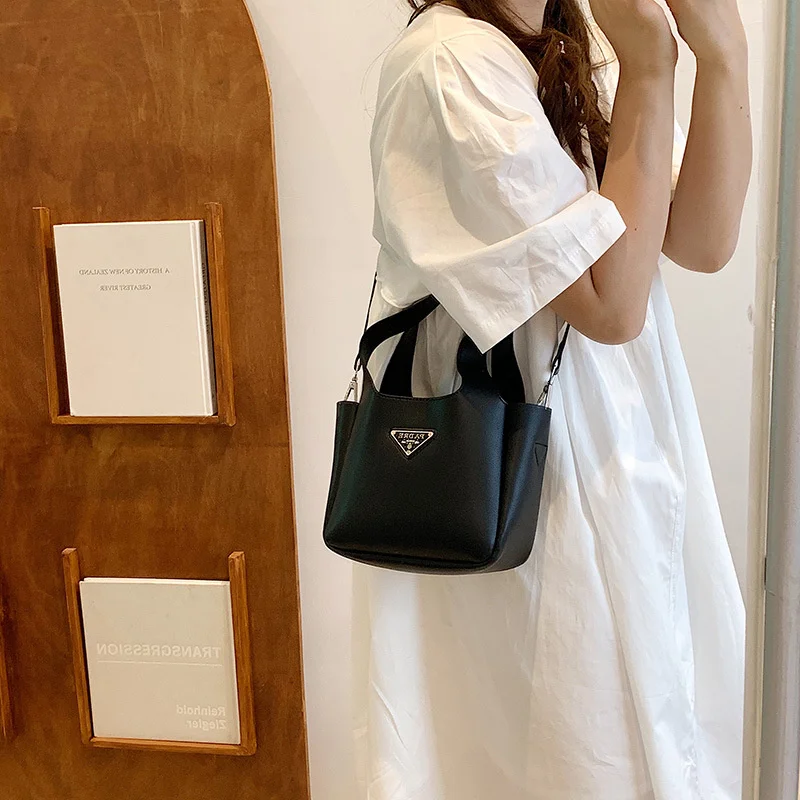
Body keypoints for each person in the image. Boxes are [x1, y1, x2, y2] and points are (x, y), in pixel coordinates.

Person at [350, 0, 751, 797]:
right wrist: (652, 67)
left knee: (640, 739)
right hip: (522, 490)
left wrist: (724, 56)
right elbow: (611, 302)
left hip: (608, 457)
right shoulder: (451, 63)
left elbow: (703, 238)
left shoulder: (560, 50)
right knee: (565, 750)